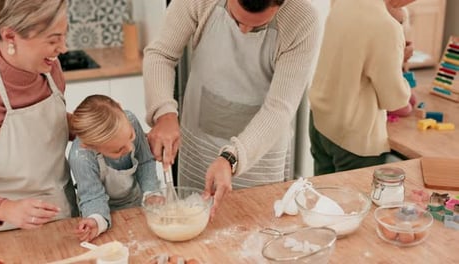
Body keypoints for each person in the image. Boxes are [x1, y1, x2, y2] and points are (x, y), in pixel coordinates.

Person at [143, 0, 321, 217]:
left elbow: (279, 108)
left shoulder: (302, 20)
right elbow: (161, 54)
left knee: (253, 229)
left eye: (257, 27)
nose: (244, 31)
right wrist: (164, 113)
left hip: (257, 156)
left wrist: (231, 158)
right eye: (236, 20)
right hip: (200, 145)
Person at [0, 0, 77, 235]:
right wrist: (5, 208)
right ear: (10, 36)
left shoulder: (50, 69)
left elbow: (46, 128)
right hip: (0, 232)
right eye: (53, 40)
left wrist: (100, 126)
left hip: (63, 218)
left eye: (64, 36)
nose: (63, 48)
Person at [308, 0, 416, 176]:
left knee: (322, 197)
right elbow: (394, 100)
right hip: (353, 137)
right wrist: (398, 60)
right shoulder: (386, 27)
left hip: (320, 120)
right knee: (353, 202)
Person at [68, 95, 159, 242]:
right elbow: (92, 197)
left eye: (131, 136)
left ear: (120, 107)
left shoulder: (131, 120)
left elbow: (145, 162)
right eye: (118, 150)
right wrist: (96, 221)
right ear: (90, 146)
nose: (130, 148)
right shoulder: (81, 157)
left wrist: (151, 193)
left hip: (135, 205)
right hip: (103, 214)